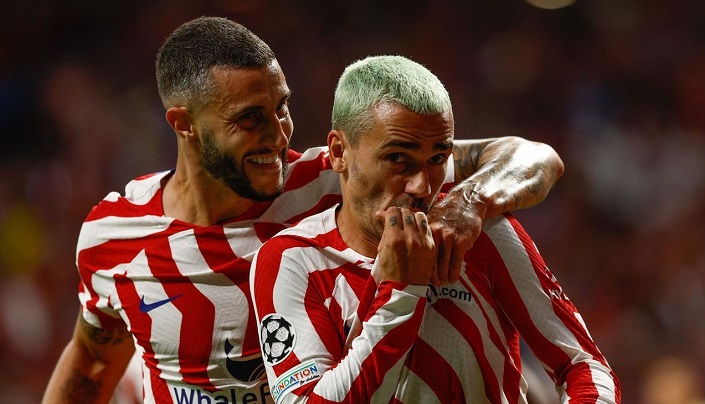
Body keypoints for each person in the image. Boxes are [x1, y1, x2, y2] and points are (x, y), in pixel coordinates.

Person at [42, 17, 564, 404]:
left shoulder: (334, 180)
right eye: (251, 119)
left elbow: (532, 157)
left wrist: (469, 204)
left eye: (282, 107)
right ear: (183, 124)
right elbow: (91, 361)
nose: (280, 133)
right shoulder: (115, 236)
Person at [250, 55, 620, 403]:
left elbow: (584, 364)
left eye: (437, 159)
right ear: (339, 152)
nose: (422, 187)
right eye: (398, 158)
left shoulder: (479, 232)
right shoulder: (289, 260)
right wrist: (401, 289)